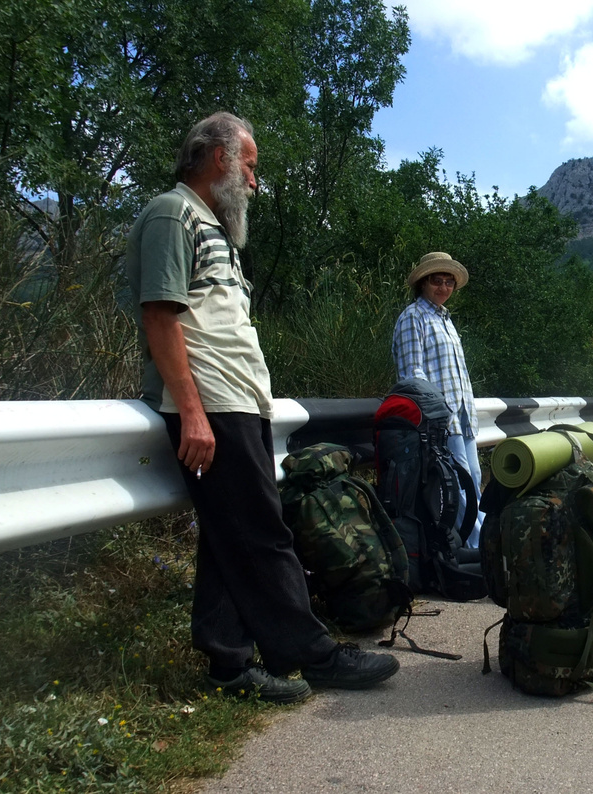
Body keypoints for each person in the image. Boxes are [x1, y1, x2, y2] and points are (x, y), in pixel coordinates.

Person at [124, 111, 399, 704]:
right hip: (211, 403)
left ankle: (229, 665)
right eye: (249, 165)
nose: (253, 180)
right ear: (219, 157)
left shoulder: (212, 227)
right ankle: (313, 655)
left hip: (236, 401)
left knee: (231, 534)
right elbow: (160, 317)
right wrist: (192, 413)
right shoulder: (173, 213)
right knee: (263, 532)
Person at [391, 251, 484, 548]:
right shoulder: (413, 317)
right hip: (440, 420)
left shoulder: (445, 320)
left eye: (449, 282)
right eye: (437, 280)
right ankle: (478, 547)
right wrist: (435, 415)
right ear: (423, 283)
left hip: (463, 415)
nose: (444, 287)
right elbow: (412, 376)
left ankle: (479, 544)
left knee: (473, 480)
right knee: (456, 485)